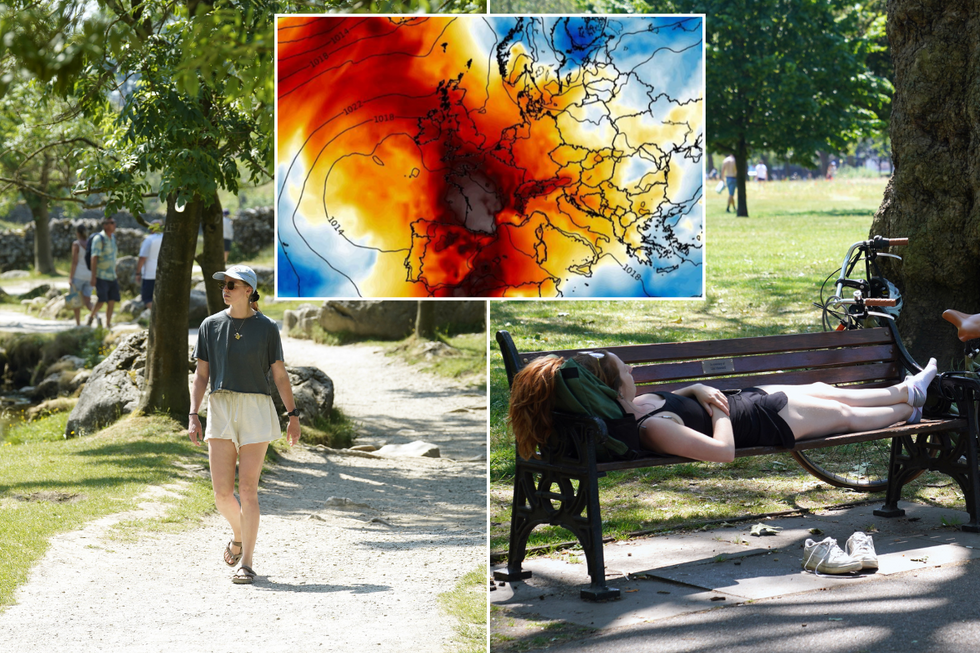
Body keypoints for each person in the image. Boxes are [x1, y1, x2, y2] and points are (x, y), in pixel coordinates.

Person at [509, 350, 938, 464]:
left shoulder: (634, 405)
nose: (634, 369)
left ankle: (905, 390)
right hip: (764, 422)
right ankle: (908, 409)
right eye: (626, 368)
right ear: (613, 386)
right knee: (846, 418)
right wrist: (718, 413)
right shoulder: (651, 429)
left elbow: (689, 400)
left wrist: (697, 387)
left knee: (829, 388)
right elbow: (722, 453)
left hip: (748, 400)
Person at [188, 264, 301, 585]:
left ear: (249, 290)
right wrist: (193, 413)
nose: (226, 288)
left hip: (256, 407)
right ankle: (238, 535)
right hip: (221, 406)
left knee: (248, 490)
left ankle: (246, 563)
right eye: (224, 283)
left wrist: (293, 416)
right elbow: (201, 375)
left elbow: (279, 375)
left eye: (233, 284)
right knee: (222, 493)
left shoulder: (267, 328)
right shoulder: (209, 325)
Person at [87, 216, 119, 329]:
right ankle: (91, 317)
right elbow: (94, 257)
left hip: (112, 276)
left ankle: (108, 324)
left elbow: (113, 257)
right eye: (111, 223)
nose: (113, 225)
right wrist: (93, 276)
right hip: (101, 275)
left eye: (114, 222)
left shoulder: (113, 238)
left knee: (112, 300)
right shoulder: (98, 239)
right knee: (101, 300)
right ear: (105, 225)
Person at [68, 224, 94, 326]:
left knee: (76, 301)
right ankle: (96, 316)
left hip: (78, 275)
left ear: (77, 233)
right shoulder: (90, 244)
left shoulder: (76, 244)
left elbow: (74, 262)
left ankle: (78, 324)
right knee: (88, 301)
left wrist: (70, 277)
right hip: (89, 275)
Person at [135, 220, 163, 311]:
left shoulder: (149, 239)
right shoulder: (167, 239)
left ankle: (158, 316)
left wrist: (138, 273)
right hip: (163, 274)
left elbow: (142, 258)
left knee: (147, 299)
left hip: (150, 274)